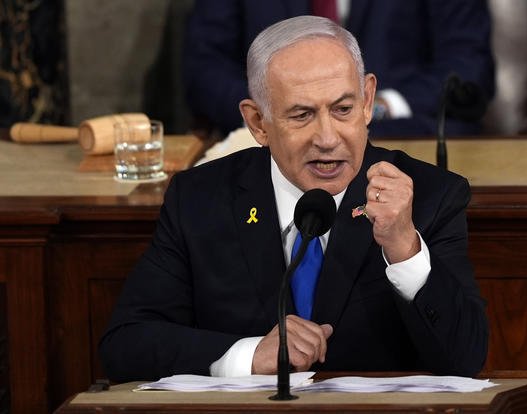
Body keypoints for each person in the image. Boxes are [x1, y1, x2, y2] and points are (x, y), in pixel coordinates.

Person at [99, 15, 488, 381]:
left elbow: (464, 360)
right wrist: (249, 356)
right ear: (257, 122)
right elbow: (126, 344)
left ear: (368, 101)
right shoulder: (201, 199)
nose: (328, 138)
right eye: (301, 115)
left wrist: (404, 247)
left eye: (343, 109)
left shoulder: (429, 196)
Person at [183, 0, 495, 139]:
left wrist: (380, 107)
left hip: (404, 136)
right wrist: (281, 114)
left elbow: (469, 66)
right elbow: (204, 67)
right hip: (277, 149)